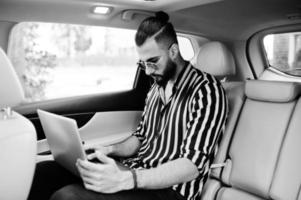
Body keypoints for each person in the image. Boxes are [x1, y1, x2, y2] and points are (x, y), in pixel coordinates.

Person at [28, 11, 228, 200]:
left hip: (170, 192)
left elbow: (192, 165)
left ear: (174, 51)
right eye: (143, 64)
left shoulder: (207, 91)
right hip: (137, 173)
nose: (148, 72)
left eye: (153, 61)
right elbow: (141, 137)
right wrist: (109, 150)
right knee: (46, 173)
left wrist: (128, 179)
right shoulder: (156, 89)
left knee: (68, 197)